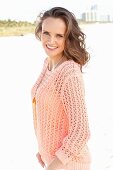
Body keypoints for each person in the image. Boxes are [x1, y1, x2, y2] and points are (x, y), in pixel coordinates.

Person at [31, 7, 91, 170]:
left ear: (68, 38)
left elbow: (81, 131)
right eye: (46, 33)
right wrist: (42, 149)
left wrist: (54, 165)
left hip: (69, 165)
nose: (51, 41)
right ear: (40, 32)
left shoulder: (69, 73)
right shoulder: (48, 63)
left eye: (59, 35)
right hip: (54, 161)